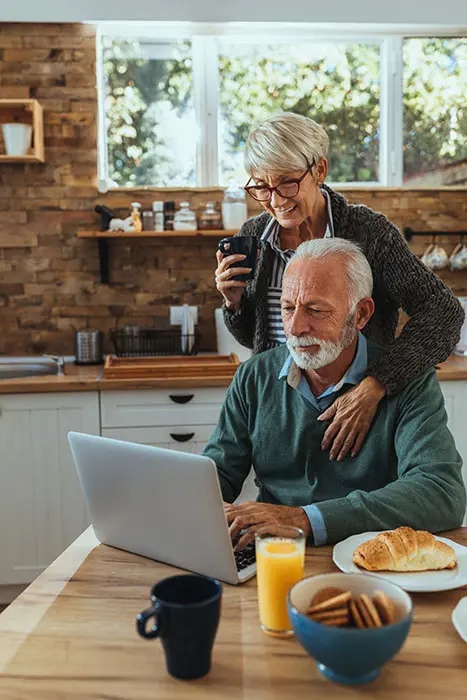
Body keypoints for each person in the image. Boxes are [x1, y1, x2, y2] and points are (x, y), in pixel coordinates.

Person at [215, 112, 464, 462]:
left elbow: (444, 312)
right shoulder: (254, 236)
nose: (275, 199)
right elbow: (267, 338)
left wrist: (377, 384)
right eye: (261, 186)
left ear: (319, 170)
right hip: (285, 416)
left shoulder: (370, 234)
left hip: (359, 414)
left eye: (287, 182)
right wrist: (235, 303)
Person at [205, 239, 465, 550]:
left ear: (360, 315)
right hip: (274, 553)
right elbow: (216, 474)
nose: (296, 327)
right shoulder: (254, 376)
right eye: (288, 308)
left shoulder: (411, 382)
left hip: (372, 561)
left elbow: (441, 493)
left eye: (315, 310)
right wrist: (201, 503)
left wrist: (305, 519)